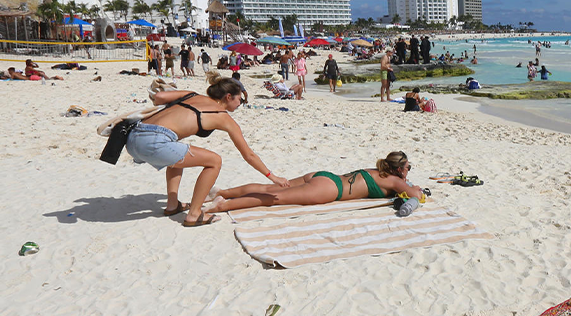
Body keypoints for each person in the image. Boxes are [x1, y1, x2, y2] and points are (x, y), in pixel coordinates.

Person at [126, 71, 290, 227]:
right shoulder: (224, 117)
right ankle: (195, 214)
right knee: (214, 161)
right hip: (153, 142)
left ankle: (172, 205)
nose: (240, 103)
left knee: (178, 155)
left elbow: (159, 96)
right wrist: (273, 177)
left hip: (132, 138)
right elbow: (249, 155)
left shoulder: (192, 95)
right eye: (239, 99)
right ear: (228, 97)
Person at [203, 152, 423, 215]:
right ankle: (222, 205)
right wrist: (415, 188)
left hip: (323, 176)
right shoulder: (394, 180)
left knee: (269, 188)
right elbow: (416, 195)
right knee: (274, 198)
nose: (408, 171)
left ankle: (222, 192)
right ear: (398, 169)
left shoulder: (377, 171)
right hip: (329, 190)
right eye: (408, 168)